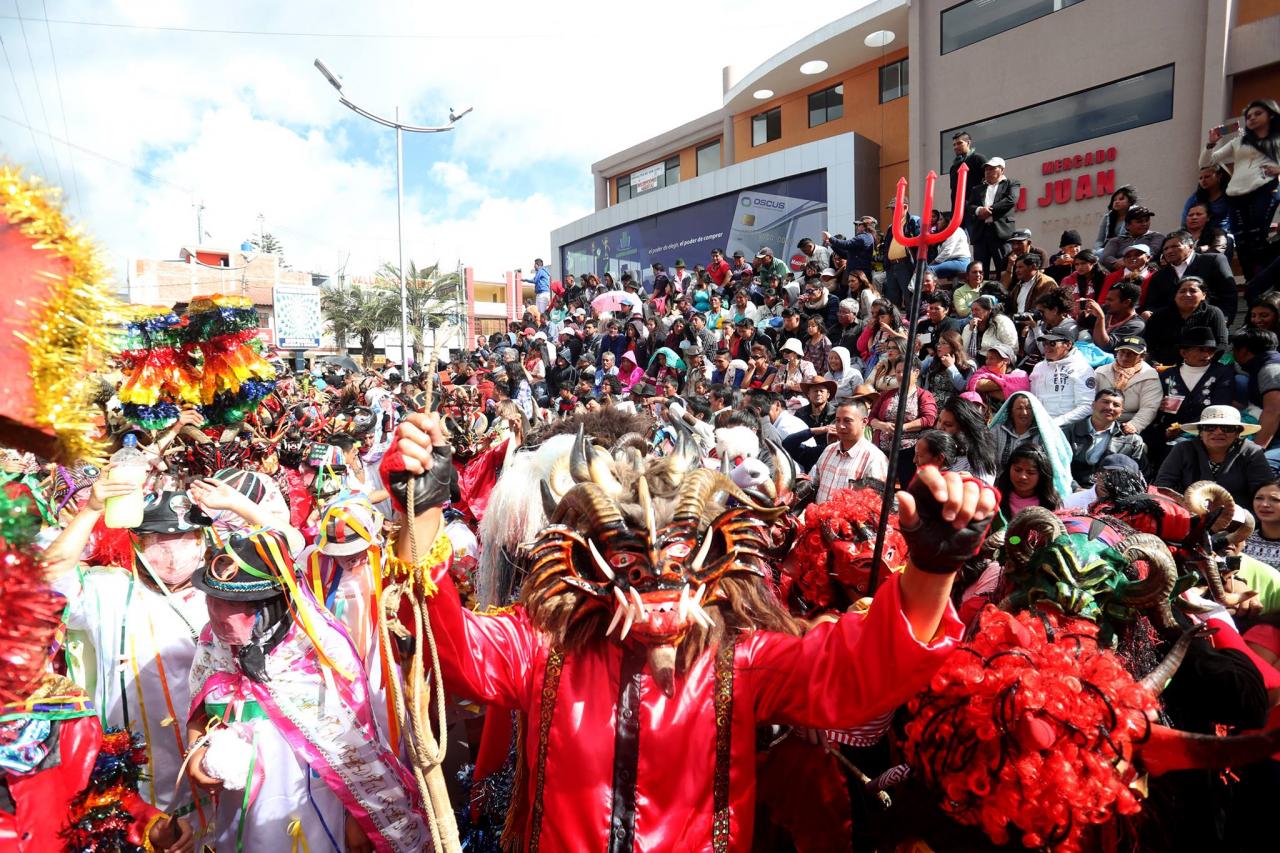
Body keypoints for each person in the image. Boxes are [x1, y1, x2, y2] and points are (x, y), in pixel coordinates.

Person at [388, 411, 996, 851]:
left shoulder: (742, 657)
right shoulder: (545, 644)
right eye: (631, 561)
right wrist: (420, 509)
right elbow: (452, 652)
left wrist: (931, 573)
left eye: (676, 559)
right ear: (589, 558)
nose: (657, 583)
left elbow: (856, 676)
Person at [185, 528, 426, 851]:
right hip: (238, 813)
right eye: (216, 600)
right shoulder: (211, 643)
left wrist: (359, 821)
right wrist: (196, 754)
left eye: (241, 604)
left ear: (281, 598)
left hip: (310, 812)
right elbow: (199, 712)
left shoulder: (322, 648)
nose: (224, 613)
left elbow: (359, 743)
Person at [1201, 99, 1280, 276]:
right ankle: (1252, 284)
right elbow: (1206, 162)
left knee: (1257, 238)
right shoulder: (1239, 141)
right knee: (1242, 243)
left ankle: (1266, 282)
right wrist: (1211, 143)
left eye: (1258, 113)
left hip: (1265, 189)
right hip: (1236, 196)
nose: (1251, 118)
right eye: (1249, 116)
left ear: (1271, 115)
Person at [1155, 405, 1272, 505]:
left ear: (1238, 433)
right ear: (1200, 432)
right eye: (1210, 427)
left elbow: (1263, 492)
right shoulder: (1183, 449)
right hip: (1187, 514)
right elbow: (1164, 486)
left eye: (1227, 428)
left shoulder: (1252, 452)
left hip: (1239, 518)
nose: (1218, 432)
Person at [988, 390, 1075, 499]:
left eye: (1029, 408)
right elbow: (987, 462)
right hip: (1000, 489)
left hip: (1035, 491)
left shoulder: (1044, 435)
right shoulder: (997, 431)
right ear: (1011, 411)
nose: (1024, 413)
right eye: (1019, 408)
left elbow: (1053, 467)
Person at [1143, 231, 1239, 322]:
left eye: (1175, 246)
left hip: (1208, 324)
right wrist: (1150, 313)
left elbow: (1229, 294)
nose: (1169, 251)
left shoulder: (1213, 261)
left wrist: (1224, 319)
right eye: (1165, 249)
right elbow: (1153, 304)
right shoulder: (1159, 276)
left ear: (1190, 246)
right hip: (1172, 330)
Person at [869, 359, 937, 486]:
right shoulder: (887, 395)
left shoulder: (923, 395)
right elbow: (871, 417)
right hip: (882, 449)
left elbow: (929, 419)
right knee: (877, 486)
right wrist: (882, 425)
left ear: (916, 373)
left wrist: (902, 427)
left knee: (907, 486)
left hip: (908, 451)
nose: (900, 375)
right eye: (898, 371)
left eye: (904, 371)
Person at [810, 398, 890, 501]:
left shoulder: (875, 459)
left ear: (864, 422)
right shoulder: (828, 451)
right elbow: (815, 484)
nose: (841, 426)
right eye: (838, 420)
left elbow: (876, 504)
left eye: (847, 421)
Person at [1063, 389, 1148, 484]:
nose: (1110, 407)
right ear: (1093, 405)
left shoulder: (1132, 441)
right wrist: (1074, 488)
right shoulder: (1068, 432)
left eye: (1116, 405)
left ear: (1121, 412)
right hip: (1070, 491)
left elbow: (1139, 475)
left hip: (1111, 494)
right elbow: (1056, 467)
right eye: (1105, 402)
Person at [1142, 277, 1230, 368]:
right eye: (1182, 291)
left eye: (1193, 291)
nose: (1187, 294)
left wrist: (1203, 362)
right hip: (1164, 368)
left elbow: (1222, 344)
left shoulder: (1213, 313)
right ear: (1175, 295)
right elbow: (1147, 345)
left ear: (1203, 295)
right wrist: (1154, 363)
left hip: (1204, 367)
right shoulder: (1159, 316)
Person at [1233, 327, 1280, 472]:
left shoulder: (1270, 370)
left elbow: (1274, 411)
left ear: (1243, 351)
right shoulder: (1262, 364)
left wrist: (1257, 449)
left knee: (1262, 466)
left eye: (1233, 349)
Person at [1093, 336, 1162, 435]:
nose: (1125, 357)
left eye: (1132, 354)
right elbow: (1089, 399)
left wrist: (1135, 425)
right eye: (1122, 352)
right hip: (1098, 418)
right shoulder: (1101, 371)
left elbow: (1150, 407)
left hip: (1127, 423)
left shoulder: (1149, 376)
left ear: (1142, 357)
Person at [1027, 329, 1095, 426]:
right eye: (1044, 343)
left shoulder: (1082, 368)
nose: (1046, 347)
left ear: (1068, 345)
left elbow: (1087, 406)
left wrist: (1056, 423)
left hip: (1065, 427)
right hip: (1037, 424)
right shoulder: (1038, 367)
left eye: (1052, 343)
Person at [968, 157, 1019, 278]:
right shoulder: (977, 189)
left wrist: (990, 210)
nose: (988, 171)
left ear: (1001, 169)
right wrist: (979, 210)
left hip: (1000, 232)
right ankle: (981, 293)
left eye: (992, 168)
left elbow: (1011, 200)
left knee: (1003, 266)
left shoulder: (1010, 183)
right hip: (981, 232)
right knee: (980, 268)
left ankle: (1003, 293)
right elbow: (969, 206)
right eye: (986, 169)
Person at [936, 394, 998, 482]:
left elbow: (986, 488)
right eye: (939, 420)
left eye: (948, 425)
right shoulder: (932, 446)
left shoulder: (979, 455)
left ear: (964, 428)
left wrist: (972, 481)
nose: (940, 427)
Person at [994, 445, 1062, 524]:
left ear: (1042, 475)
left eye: (1031, 472)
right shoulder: (996, 497)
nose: (1023, 476)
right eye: (1017, 470)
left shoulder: (1051, 503)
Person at [1079, 280, 1145, 353]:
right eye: (1106, 299)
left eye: (1110, 300)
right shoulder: (1107, 310)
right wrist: (1082, 314)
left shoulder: (1136, 325)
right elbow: (1085, 324)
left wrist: (1100, 318)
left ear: (1126, 302)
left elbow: (1104, 346)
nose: (1106, 303)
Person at [920, 330, 974, 410]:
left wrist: (951, 367)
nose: (938, 346)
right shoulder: (932, 361)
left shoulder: (968, 365)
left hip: (953, 410)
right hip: (930, 407)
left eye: (943, 343)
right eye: (938, 343)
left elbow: (963, 388)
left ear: (954, 345)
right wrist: (915, 351)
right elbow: (915, 370)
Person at [1101, 206, 1165, 272]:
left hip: (1148, 273)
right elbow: (1105, 258)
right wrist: (1115, 262)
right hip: (1120, 275)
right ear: (1127, 225)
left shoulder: (1157, 236)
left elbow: (1152, 253)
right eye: (1139, 221)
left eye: (1147, 220)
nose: (1145, 224)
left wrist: (1126, 261)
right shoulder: (1116, 241)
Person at [966, 342, 1030, 406]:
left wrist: (987, 390)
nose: (987, 362)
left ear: (1006, 361)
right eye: (987, 358)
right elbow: (978, 385)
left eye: (992, 358)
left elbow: (1015, 396)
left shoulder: (1020, 375)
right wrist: (1008, 385)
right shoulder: (983, 370)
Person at [1023, 290, 1079, 362]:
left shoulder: (1069, 326)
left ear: (1055, 310)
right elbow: (1028, 349)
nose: (1040, 315)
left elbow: (1046, 351)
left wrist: (1036, 328)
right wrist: (1032, 329)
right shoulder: (1043, 324)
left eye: (1042, 312)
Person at [949, 131, 988, 228]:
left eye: (959, 143)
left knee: (975, 240)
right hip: (957, 213)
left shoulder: (978, 159)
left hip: (974, 210)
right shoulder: (953, 167)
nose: (956, 147)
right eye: (954, 144)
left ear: (968, 143)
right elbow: (953, 191)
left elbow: (989, 181)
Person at [1004, 253, 1057, 322]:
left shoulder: (1047, 283)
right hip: (1019, 325)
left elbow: (1046, 309)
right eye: (1016, 267)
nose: (1016, 270)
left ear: (1033, 267)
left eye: (1020, 267)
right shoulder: (1019, 285)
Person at [1184, 165, 1233, 234]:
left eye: (1207, 177)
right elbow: (1185, 220)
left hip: (1225, 233)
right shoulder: (1195, 198)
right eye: (1200, 178)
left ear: (1219, 176)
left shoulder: (1229, 195)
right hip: (1200, 235)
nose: (1203, 180)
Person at [927, 209, 972, 280]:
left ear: (948, 221)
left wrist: (932, 264)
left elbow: (947, 252)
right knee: (924, 271)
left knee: (927, 270)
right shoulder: (945, 233)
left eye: (941, 219)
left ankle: (914, 290)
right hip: (950, 262)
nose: (938, 222)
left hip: (960, 262)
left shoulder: (955, 231)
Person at [1093, 185, 1139, 252]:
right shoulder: (1107, 217)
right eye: (1114, 200)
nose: (1117, 202)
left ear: (1130, 202)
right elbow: (1099, 240)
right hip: (1107, 251)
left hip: (1128, 250)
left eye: (1121, 199)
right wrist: (1099, 251)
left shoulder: (1136, 215)